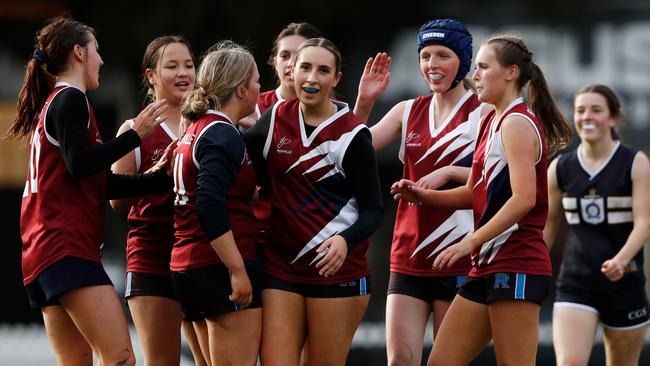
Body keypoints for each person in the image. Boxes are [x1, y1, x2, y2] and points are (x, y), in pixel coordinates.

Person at [392, 34, 572, 365]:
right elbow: (474, 193)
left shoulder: (516, 122)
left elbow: (524, 200)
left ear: (511, 73)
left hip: (517, 263)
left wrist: (467, 242)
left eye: (483, 67)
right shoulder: (489, 118)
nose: (475, 74)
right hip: (485, 265)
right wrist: (424, 196)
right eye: (475, 67)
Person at [8, 16, 173, 365]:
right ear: (79, 53)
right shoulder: (70, 99)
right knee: (120, 357)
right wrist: (134, 136)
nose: (101, 60)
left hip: (42, 254)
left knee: (78, 360)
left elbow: (95, 181)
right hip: (64, 248)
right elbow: (80, 164)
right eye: (97, 51)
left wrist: (160, 177)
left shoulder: (53, 104)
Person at [355, 18, 487, 366]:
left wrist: (447, 172)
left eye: (443, 55)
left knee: (446, 361)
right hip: (408, 255)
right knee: (399, 360)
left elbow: (498, 176)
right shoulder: (407, 110)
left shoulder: (483, 112)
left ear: (463, 61)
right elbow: (352, 156)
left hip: (457, 255)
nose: (432, 64)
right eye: (425, 55)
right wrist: (364, 104)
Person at [245, 37, 384, 366]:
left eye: (323, 71)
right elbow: (236, 159)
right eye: (305, 68)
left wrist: (345, 241)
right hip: (282, 267)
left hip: (335, 271)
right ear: (291, 71)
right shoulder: (276, 115)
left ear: (336, 79)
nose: (312, 78)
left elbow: (374, 211)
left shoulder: (352, 135)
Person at [109, 36, 206, 366]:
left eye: (189, 65)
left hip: (202, 257)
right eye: (172, 66)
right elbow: (116, 200)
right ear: (151, 75)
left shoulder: (211, 124)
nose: (184, 73)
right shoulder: (135, 129)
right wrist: (156, 172)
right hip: (152, 259)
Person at [544, 84, 650, 366]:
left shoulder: (635, 163)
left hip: (625, 283)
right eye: (580, 110)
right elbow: (547, 227)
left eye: (596, 110)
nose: (586, 116)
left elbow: (644, 223)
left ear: (613, 118)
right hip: (575, 283)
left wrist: (621, 260)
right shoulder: (560, 168)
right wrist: (531, 266)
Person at [171, 40, 262, 366]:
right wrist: (237, 269)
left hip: (191, 261)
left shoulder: (199, 128)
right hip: (218, 263)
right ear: (240, 89)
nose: (259, 87)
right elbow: (208, 205)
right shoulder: (221, 133)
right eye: (255, 81)